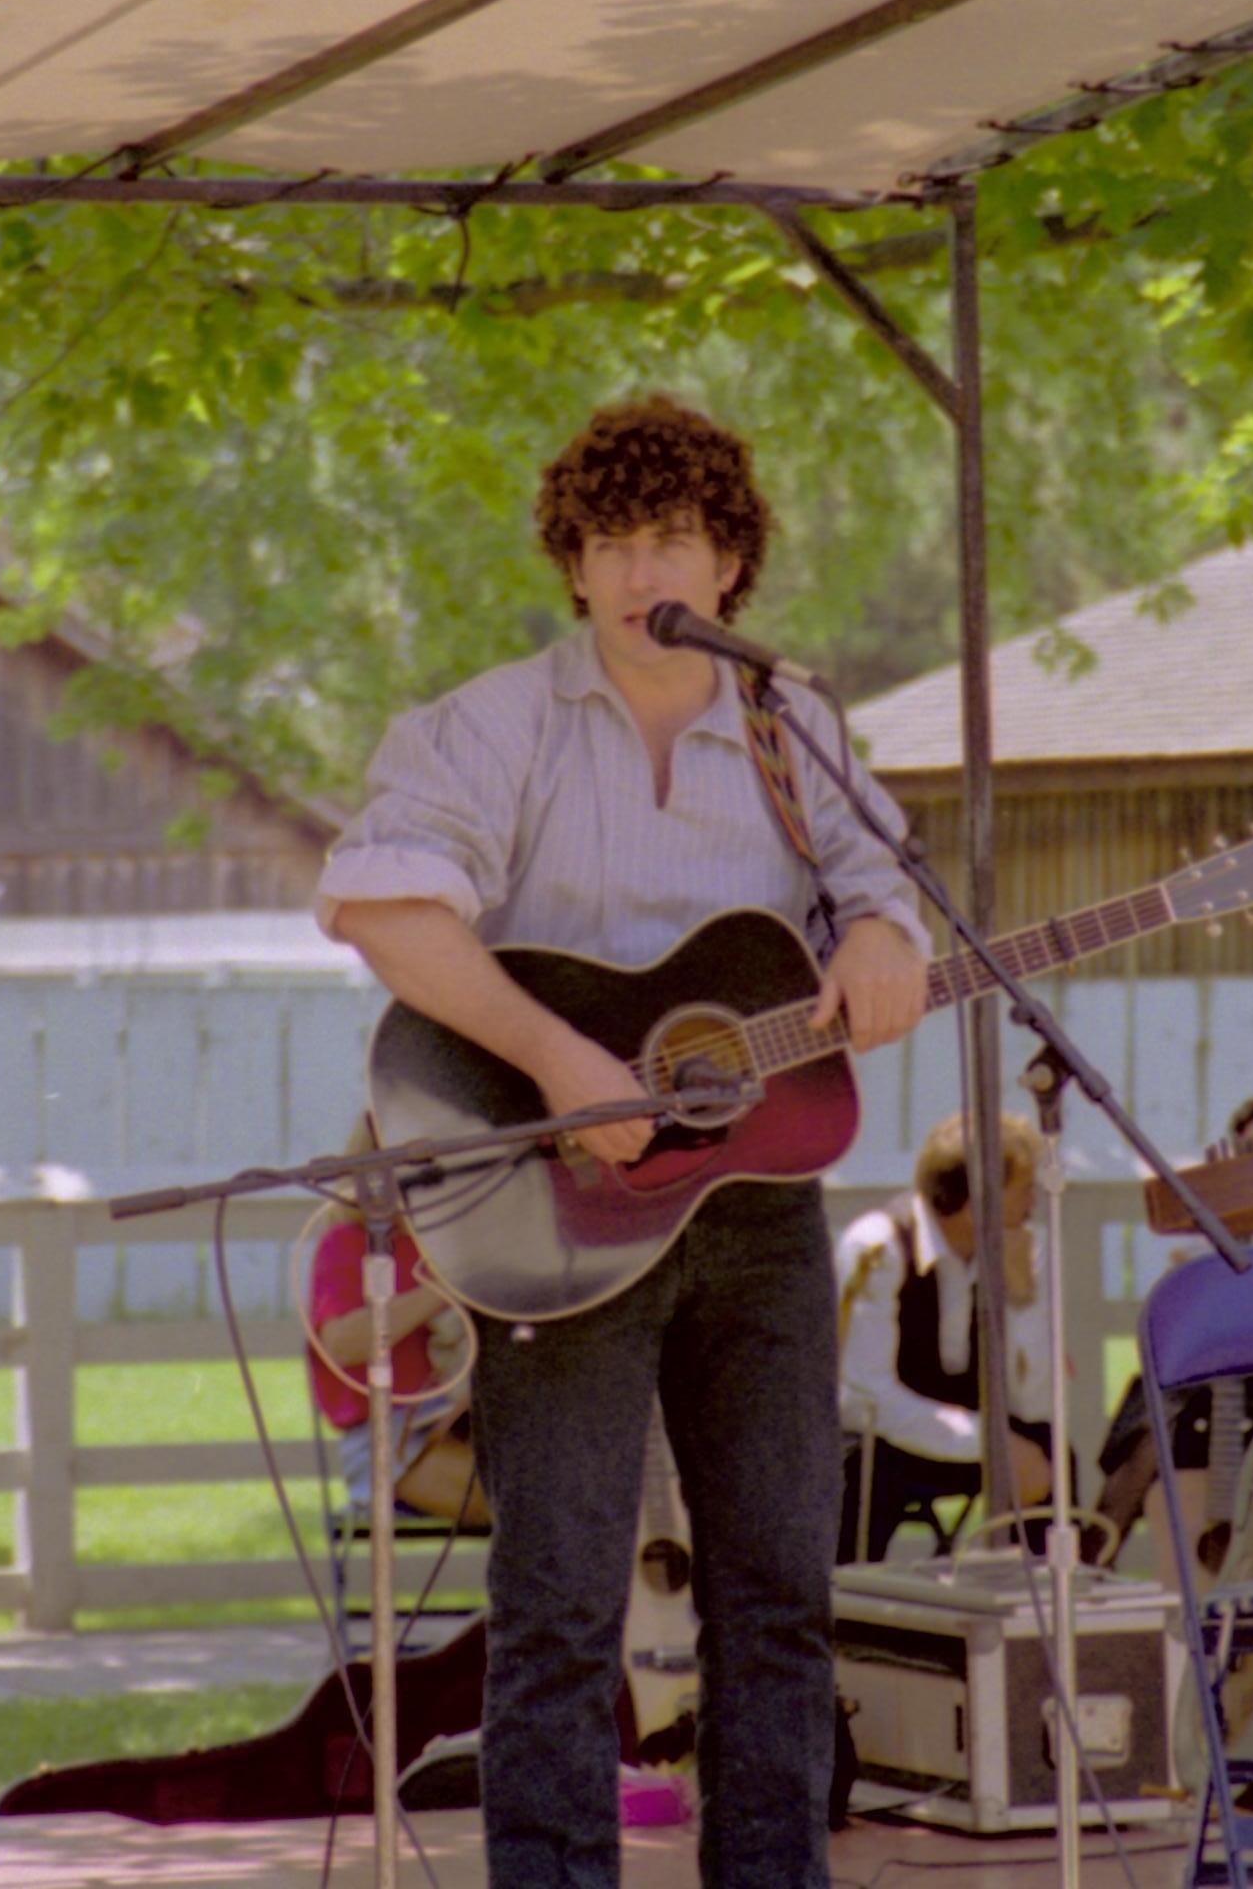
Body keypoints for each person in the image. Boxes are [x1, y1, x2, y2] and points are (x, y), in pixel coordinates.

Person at [317, 395, 931, 1889]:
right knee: (559, 1595)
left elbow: (884, 892)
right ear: (574, 565)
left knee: (782, 1587)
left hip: (758, 1200)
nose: (646, 565)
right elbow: (387, 909)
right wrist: (565, 1055)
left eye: (677, 536)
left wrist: (888, 939)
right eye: (613, 539)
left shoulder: (794, 727)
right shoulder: (496, 726)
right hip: (561, 1205)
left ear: (729, 563)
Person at [832, 1109, 1063, 1561]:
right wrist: (988, 1444)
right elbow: (862, 1399)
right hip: (885, 1441)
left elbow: (1034, 1403)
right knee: (858, 1472)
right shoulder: (878, 1245)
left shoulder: (1019, 1245)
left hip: (973, 1436)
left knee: (1051, 1454)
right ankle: (849, 1614)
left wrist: (1023, 1300)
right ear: (979, 1198)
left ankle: (1035, 1611)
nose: (1032, 1205)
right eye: (1024, 1190)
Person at [305, 1186, 485, 1530]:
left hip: (477, 1426)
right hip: (388, 1435)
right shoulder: (351, 1242)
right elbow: (341, 1344)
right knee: (517, 1500)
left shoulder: (465, 1241)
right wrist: (443, 1290)